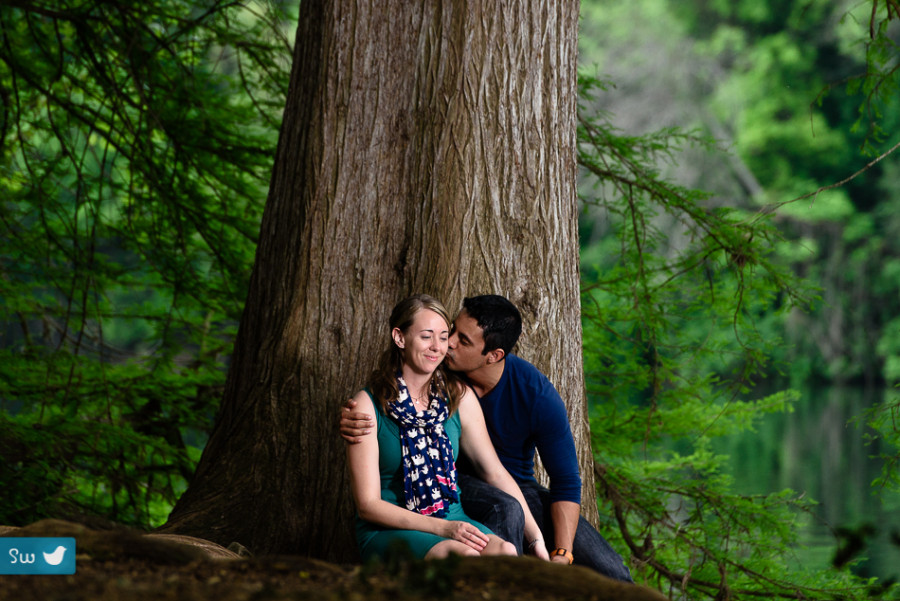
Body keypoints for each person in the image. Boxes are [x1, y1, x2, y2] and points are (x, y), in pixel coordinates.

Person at [343, 295, 632, 581]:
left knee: (521, 553)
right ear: (400, 338)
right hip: (425, 506)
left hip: (483, 498)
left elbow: (516, 474)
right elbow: (368, 502)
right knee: (488, 529)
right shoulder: (387, 394)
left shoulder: (501, 394)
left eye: (451, 338)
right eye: (443, 333)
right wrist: (350, 415)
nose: (446, 345)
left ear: (493, 355)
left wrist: (548, 546)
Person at [346, 294, 550, 561]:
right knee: (462, 556)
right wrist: (445, 529)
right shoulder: (366, 405)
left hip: (452, 518)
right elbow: (368, 506)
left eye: (443, 337)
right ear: (399, 338)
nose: (437, 347)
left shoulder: (457, 397)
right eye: (426, 336)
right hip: (390, 527)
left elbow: (495, 472)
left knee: (506, 551)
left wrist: (536, 539)